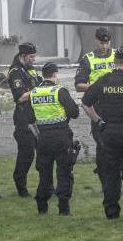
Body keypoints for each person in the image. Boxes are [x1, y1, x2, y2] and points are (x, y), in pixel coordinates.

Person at [82, 46, 123, 219]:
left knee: (111, 173)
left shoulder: (104, 80)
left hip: (108, 132)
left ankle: (111, 212)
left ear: (114, 62)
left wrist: (98, 121)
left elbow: (85, 103)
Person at [28, 62, 80, 215]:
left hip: (43, 138)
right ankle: (64, 208)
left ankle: (42, 206)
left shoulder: (34, 92)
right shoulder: (60, 91)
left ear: (43, 75)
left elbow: (30, 118)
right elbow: (74, 113)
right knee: (64, 172)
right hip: (61, 136)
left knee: (44, 173)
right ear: (55, 74)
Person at [75, 27, 117, 181]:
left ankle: (118, 177)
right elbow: (79, 85)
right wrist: (99, 86)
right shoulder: (88, 59)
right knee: (102, 144)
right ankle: (104, 177)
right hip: (97, 106)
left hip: (117, 104)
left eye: (107, 43)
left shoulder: (117, 56)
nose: (104, 46)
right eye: (101, 43)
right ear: (96, 41)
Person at [7, 42, 42, 197]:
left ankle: (46, 186)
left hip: (37, 115)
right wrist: (38, 91)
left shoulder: (31, 69)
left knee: (43, 153)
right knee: (26, 154)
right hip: (24, 117)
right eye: (31, 56)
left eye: (35, 56)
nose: (33, 59)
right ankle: (20, 185)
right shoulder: (15, 72)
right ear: (22, 56)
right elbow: (20, 97)